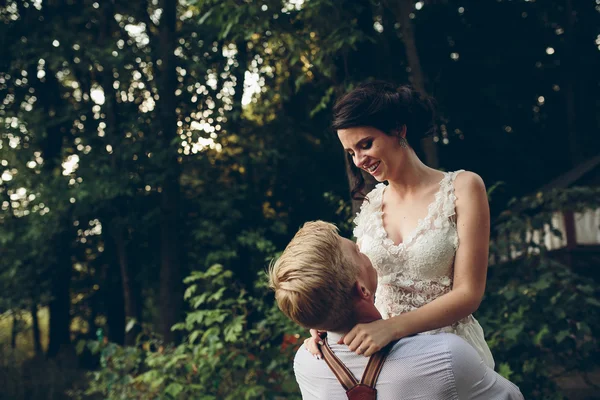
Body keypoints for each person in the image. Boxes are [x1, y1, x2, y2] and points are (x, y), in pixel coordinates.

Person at [307, 81, 495, 369]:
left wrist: (393, 327)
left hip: (450, 353)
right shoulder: (370, 204)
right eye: (351, 152)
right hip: (387, 357)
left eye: (365, 144)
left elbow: (469, 294)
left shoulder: (463, 187)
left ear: (398, 130)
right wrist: (328, 322)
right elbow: (356, 283)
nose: (359, 160)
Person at [268, 221, 522, 399]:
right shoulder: (446, 355)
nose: (363, 250)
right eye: (357, 251)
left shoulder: (305, 361)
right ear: (363, 290)